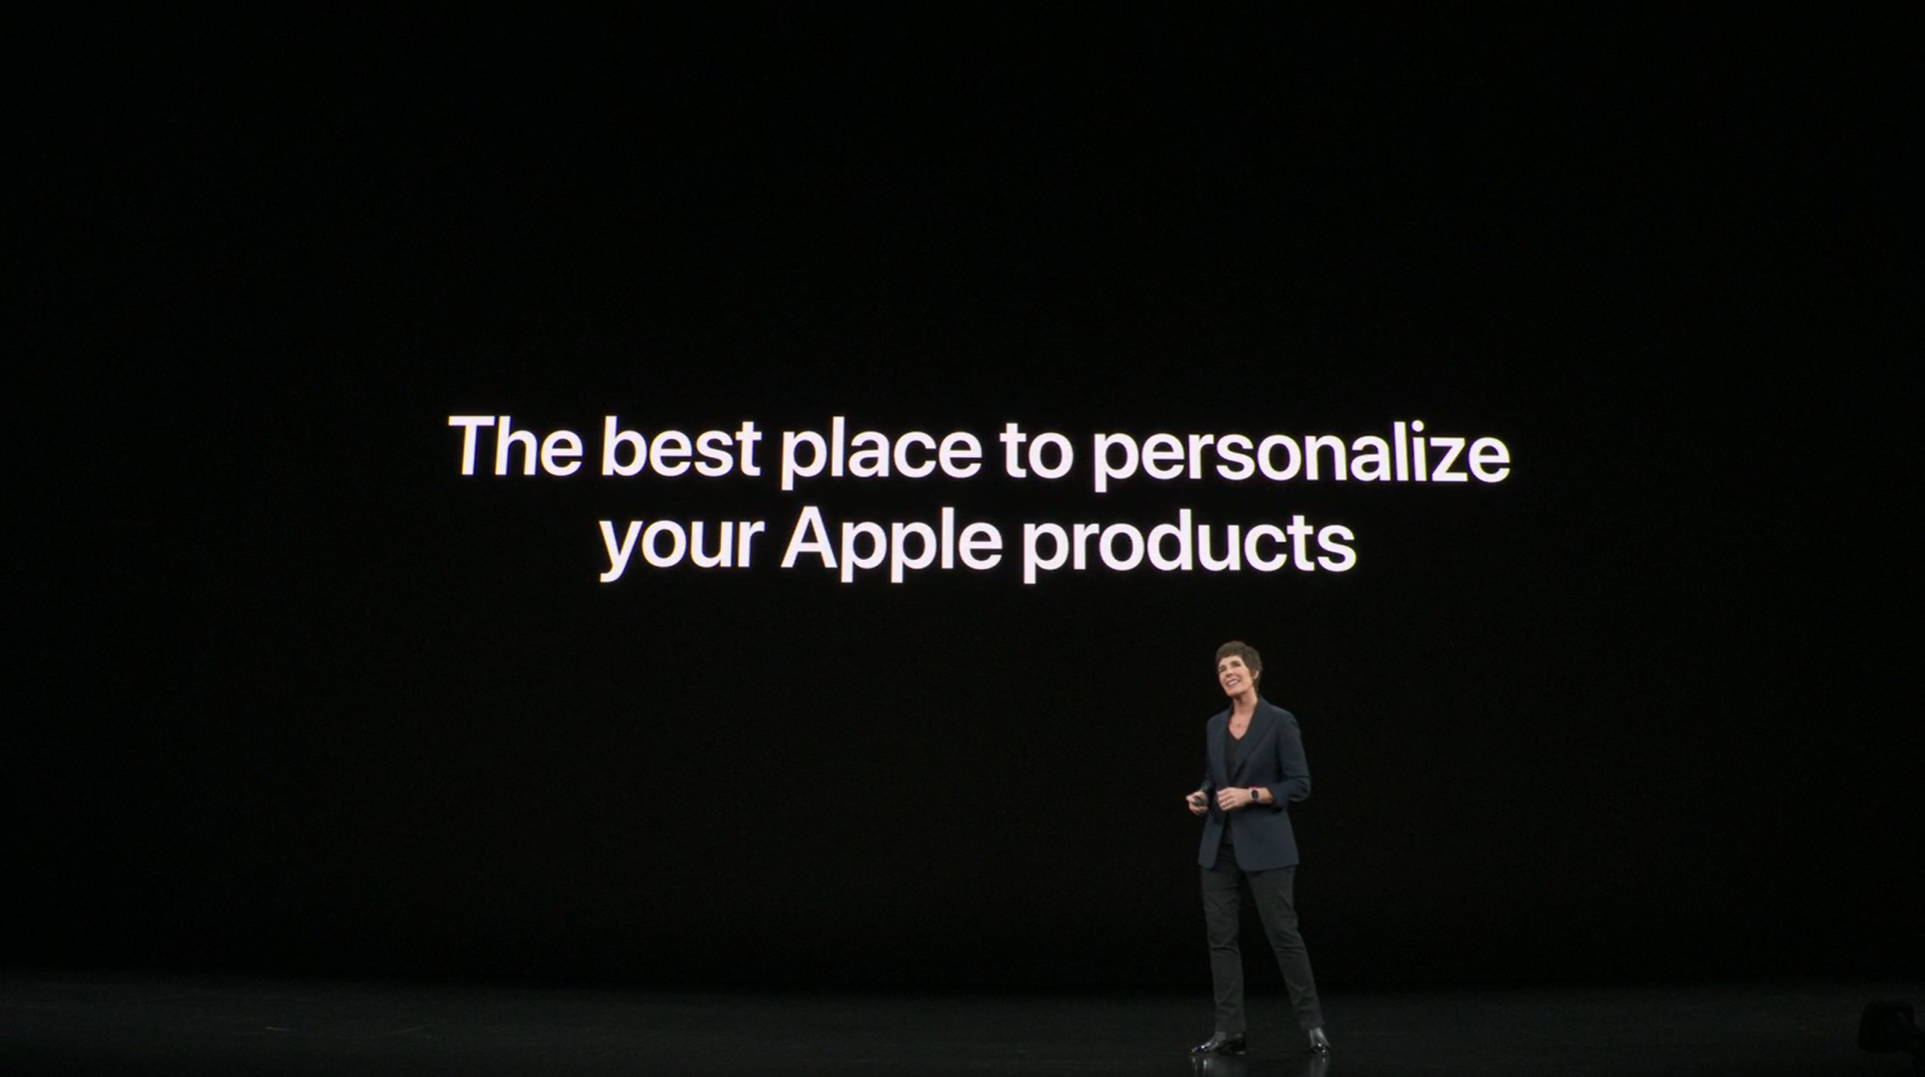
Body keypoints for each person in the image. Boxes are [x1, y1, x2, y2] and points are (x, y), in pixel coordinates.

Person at [1184, 640, 1330, 1057]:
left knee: (1283, 934)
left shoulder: (1279, 722)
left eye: (1234, 665)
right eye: (1220, 669)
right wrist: (1203, 794)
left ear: (1253, 671)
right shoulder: (1215, 725)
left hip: (1267, 845)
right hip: (1219, 845)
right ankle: (1229, 1031)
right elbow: (1214, 776)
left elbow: (1299, 784)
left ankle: (1313, 1026)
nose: (1227, 673)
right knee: (1221, 939)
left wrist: (1252, 794)